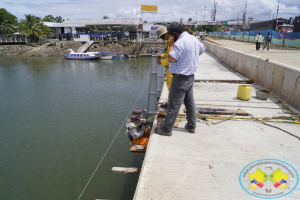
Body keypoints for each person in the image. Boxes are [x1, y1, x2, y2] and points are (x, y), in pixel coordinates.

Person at [154, 22, 206, 136]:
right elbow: (203, 49)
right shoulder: (193, 39)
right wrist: (191, 57)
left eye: (172, 35)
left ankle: (166, 129)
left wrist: (172, 46)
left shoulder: (179, 43)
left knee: (173, 105)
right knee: (190, 103)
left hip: (179, 78)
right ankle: (191, 126)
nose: (171, 38)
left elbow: (171, 59)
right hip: (190, 76)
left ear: (175, 34)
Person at [156, 26, 173, 90]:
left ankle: (173, 100)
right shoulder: (169, 40)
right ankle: (171, 100)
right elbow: (168, 53)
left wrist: (161, 61)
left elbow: (172, 59)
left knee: (172, 89)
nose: (162, 39)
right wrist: (162, 56)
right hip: (171, 69)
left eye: (162, 37)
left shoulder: (172, 41)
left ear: (166, 33)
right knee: (170, 88)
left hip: (172, 70)